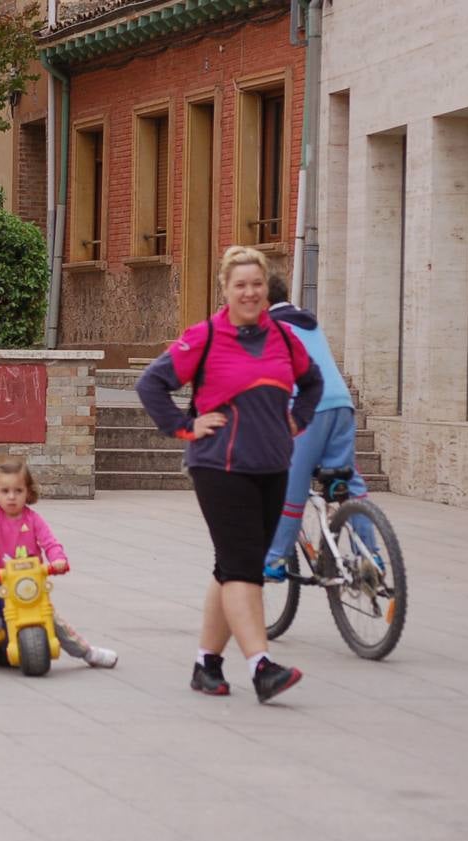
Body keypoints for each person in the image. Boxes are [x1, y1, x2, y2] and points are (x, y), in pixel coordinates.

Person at [136, 246, 323, 702]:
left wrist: (298, 417)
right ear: (225, 289)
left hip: (273, 465)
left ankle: (207, 664)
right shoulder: (204, 337)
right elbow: (152, 384)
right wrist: (185, 425)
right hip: (220, 466)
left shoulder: (283, 337)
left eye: (257, 284)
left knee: (231, 567)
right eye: (240, 284)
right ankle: (261, 666)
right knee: (245, 569)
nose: (250, 292)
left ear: (266, 288)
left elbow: (312, 380)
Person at [261, 275, 374, 581]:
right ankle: (372, 558)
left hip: (309, 407)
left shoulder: (270, 328)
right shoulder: (309, 322)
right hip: (341, 404)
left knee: (290, 487)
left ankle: (274, 560)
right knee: (349, 483)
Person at [0, 459, 118, 671]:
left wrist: (58, 560)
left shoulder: (34, 520)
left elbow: (50, 542)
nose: (11, 496)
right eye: (5, 491)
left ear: (28, 492)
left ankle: (87, 652)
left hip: (29, 582)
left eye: (18, 490)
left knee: (53, 619)